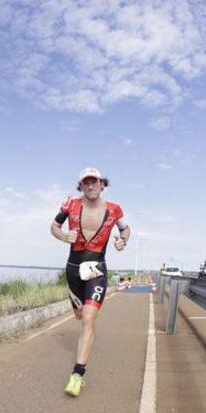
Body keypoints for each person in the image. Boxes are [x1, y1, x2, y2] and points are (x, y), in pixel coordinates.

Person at [50, 167, 130, 397]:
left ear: (102, 184)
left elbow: (126, 229)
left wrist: (122, 241)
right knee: (78, 315)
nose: (91, 186)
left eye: (95, 182)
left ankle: (77, 374)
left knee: (87, 319)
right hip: (73, 270)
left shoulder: (115, 210)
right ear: (81, 186)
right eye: (86, 183)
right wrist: (64, 236)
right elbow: (54, 226)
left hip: (97, 269)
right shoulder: (70, 204)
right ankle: (87, 309)